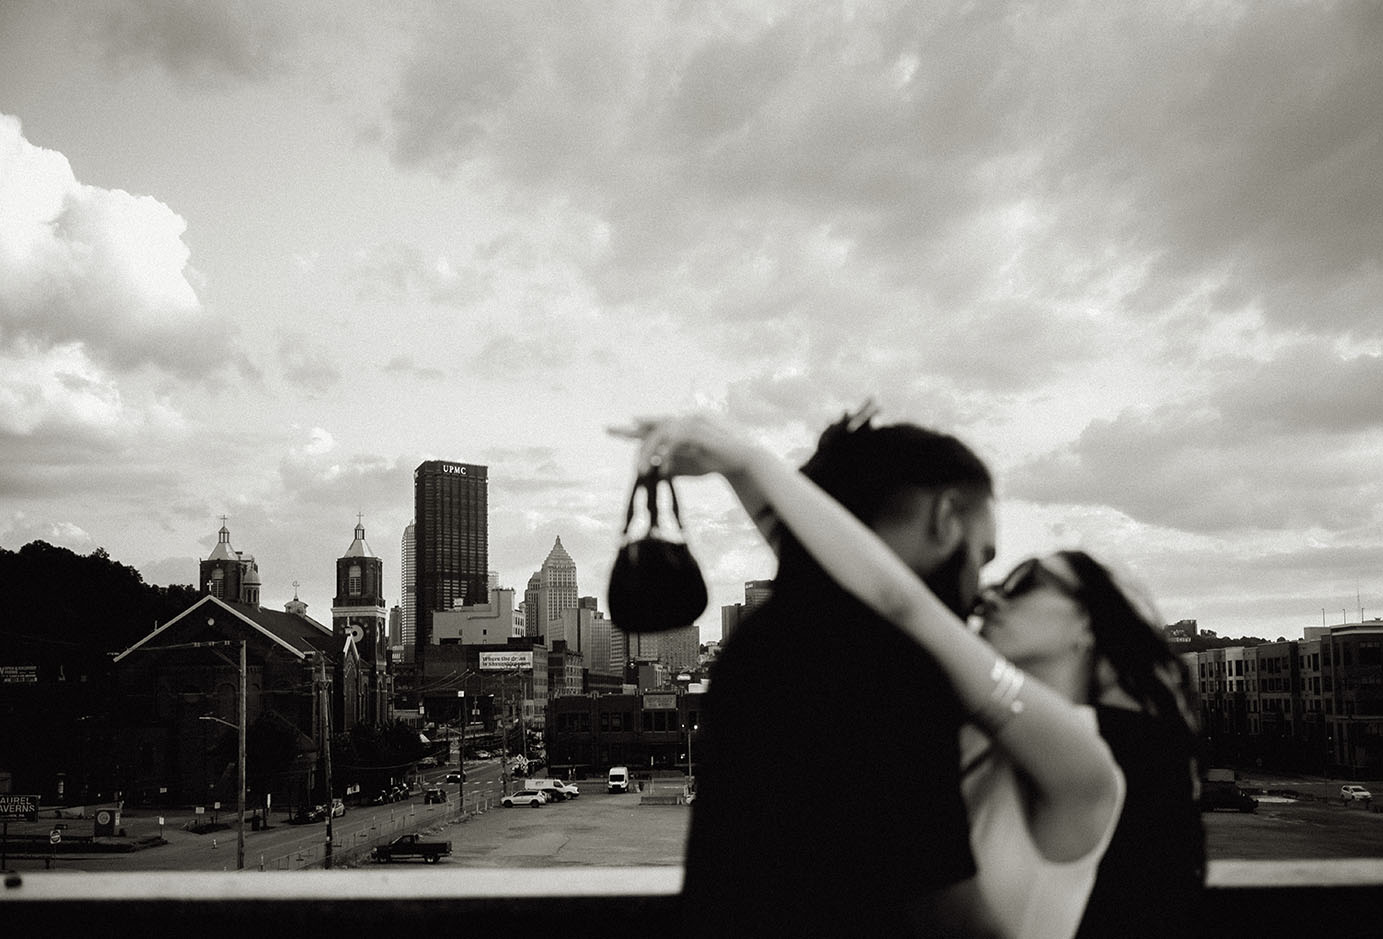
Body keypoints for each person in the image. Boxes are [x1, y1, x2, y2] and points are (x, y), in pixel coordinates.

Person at [613, 408, 1124, 938]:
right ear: (947, 515)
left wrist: (746, 464)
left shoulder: (774, 639)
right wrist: (745, 465)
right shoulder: (891, 667)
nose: (982, 588)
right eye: (985, 556)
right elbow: (946, 916)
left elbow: (882, 592)